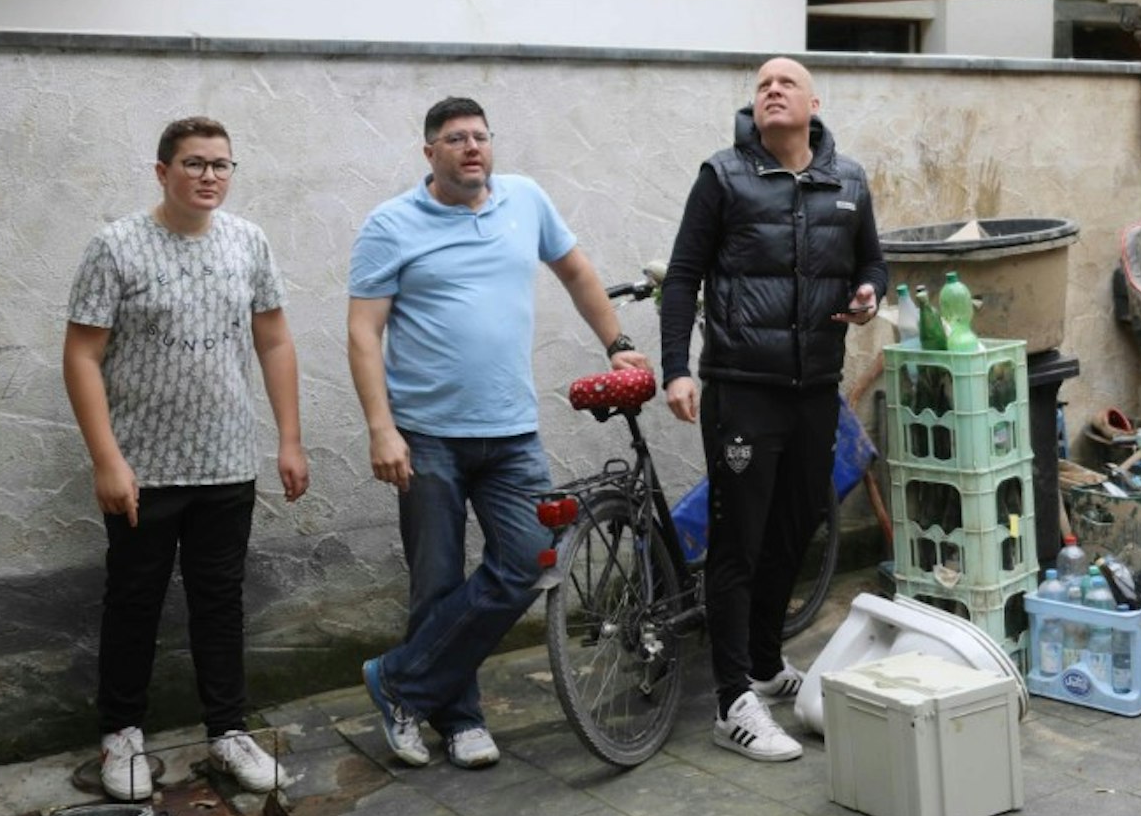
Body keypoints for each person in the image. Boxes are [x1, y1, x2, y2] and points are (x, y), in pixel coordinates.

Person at [347, 97, 647, 771]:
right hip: (425, 436)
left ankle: (399, 684)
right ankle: (459, 721)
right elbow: (364, 333)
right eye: (455, 139)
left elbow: (575, 271)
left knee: (532, 560)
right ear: (430, 153)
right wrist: (380, 429)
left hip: (510, 432)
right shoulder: (390, 225)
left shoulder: (525, 200)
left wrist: (617, 343)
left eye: (481, 136)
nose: (472, 148)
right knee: (437, 583)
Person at [64, 115, 308, 801]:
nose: (209, 176)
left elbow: (275, 341)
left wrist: (288, 438)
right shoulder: (115, 247)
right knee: (134, 601)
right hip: (143, 468)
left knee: (219, 602)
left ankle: (227, 732)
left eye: (222, 165)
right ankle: (122, 737)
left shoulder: (247, 242)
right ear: (162, 171)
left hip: (227, 463)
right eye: (195, 163)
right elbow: (82, 356)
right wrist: (106, 458)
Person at [660, 57, 886, 762]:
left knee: (796, 528)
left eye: (785, 82)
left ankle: (761, 661)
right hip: (740, 387)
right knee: (739, 542)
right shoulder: (723, 177)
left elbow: (872, 263)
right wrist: (674, 369)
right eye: (761, 86)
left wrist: (869, 294)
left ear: (813, 101)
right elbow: (682, 278)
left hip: (813, 387)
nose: (772, 91)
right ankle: (731, 701)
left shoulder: (846, 181)